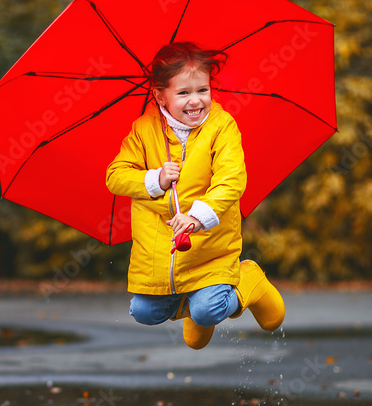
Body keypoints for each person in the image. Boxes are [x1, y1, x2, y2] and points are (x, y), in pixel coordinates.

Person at [105, 42, 284, 350]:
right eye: (183, 93)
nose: (196, 101)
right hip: (161, 256)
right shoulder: (143, 130)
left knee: (208, 310)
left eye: (203, 90)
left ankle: (248, 280)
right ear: (159, 95)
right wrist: (156, 179)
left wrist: (198, 217)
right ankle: (196, 308)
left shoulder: (221, 126)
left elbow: (231, 180)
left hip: (210, 248)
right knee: (143, 312)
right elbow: (115, 176)